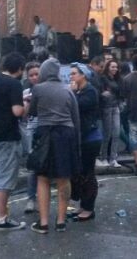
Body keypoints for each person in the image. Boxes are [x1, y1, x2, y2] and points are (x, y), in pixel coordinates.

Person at [29, 58, 81, 234]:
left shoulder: (38, 89)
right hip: (66, 134)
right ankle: (61, 221)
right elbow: (76, 118)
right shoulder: (68, 91)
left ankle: (43, 223)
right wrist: (77, 144)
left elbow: (33, 112)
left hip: (45, 134)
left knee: (42, 178)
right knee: (63, 178)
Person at [0, 52, 27, 232]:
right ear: (19, 69)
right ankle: (2, 219)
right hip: (7, 136)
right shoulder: (14, 84)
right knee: (4, 180)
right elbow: (17, 111)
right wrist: (27, 104)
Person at [68, 63, 102, 222]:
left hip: (90, 138)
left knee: (88, 174)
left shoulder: (90, 92)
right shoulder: (79, 91)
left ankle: (89, 208)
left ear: (83, 75)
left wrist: (73, 93)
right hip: (79, 138)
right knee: (79, 173)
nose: (71, 76)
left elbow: (77, 106)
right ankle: (82, 204)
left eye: (74, 73)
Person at [21, 61, 41, 214]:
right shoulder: (26, 91)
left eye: (37, 74)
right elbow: (24, 115)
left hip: (47, 129)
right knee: (33, 166)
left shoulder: (48, 89)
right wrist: (27, 102)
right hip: (31, 130)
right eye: (31, 75)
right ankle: (31, 199)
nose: (34, 77)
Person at [98, 59, 123, 168]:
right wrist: (103, 94)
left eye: (116, 67)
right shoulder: (103, 78)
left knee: (116, 133)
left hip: (115, 107)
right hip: (107, 108)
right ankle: (104, 158)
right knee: (107, 134)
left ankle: (113, 159)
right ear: (108, 67)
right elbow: (100, 92)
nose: (115, 69)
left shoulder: (118, 79)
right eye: (112, 67)